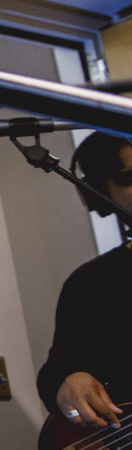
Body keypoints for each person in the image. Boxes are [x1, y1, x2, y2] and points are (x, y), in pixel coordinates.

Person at [37, 130, 132, 429]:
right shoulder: (91, 283)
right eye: (129, 179)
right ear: (100, 194)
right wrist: (69, 381)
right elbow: (54, 375)